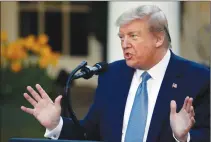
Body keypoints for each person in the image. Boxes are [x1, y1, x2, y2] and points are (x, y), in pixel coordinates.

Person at [21, 5, 210, 142]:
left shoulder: (198, 78)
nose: (125, 44)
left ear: (158, 38)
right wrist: (56, 125)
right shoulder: (112, 74)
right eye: (122, 37)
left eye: (133, 36)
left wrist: (184, 137)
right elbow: (90, 133)